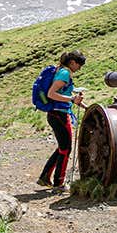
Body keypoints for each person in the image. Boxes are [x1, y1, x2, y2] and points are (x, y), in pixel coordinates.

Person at [37, 51, 86, 189]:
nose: (80, 68)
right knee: (66, 149)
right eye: (79, 64)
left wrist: (82, 105)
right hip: (59, 115)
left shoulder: (62, 72)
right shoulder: (65, 73)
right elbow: (51, 94)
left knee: (62, 147)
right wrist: (72, 99)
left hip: (56, 114)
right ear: (72, 62)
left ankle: (45, 177)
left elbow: (63, 93)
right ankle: (59, 182)